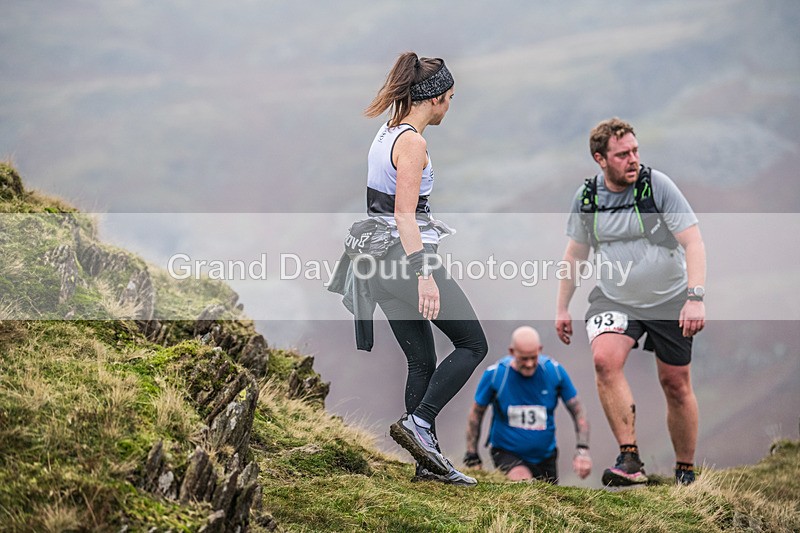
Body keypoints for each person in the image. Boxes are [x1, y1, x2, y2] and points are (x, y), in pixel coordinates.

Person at [555, 118, 706, 486]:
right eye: (623, 154)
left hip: (669, 298)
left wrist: (695, 298)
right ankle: (630, 458)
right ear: (600, 158)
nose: (633, 159)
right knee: (605, 360)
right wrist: (562, 307)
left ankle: (685, 470)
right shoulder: (588, 198)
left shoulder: (658, 187)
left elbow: (694, 242)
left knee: (675, 383)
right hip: (614, 297)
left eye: (635, 151)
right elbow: (574, 256)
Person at [361, 52, 488, 486]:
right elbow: (404, 215)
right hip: (403, 260)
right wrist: (424, 274)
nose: (450, 106)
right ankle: (421, 423)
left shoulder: (387, 132)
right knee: (473, 344)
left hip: (375, 264)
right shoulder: (413, 142)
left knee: (421, 361)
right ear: (434, 99)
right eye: (450, 98)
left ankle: (426, 465)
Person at [463, 326, 592, 484]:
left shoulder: (555, 372)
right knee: (524, 485)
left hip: (546, 455)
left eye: (533, 357)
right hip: (507, 452)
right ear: (512, 352)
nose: (530, 364)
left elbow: (578, 411)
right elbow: (476, 413)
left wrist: (582, 450)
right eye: (524, 358)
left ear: (540, 349)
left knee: (549, 501)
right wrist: (472, 454)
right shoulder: (495, 375)